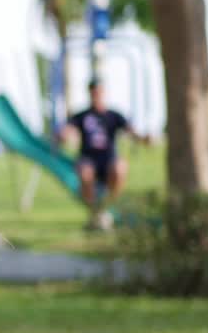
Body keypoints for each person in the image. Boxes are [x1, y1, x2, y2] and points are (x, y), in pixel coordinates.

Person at [60, 80, 150, 229]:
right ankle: (94, 212)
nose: (97, 95)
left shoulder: (114, 115)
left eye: (100, 92)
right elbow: (67, 130)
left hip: (108, 158)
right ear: (90, 93)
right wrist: (63, 135)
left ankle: (106, 207)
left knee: (120, 167)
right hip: (88, 158)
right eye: (94, 92)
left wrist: (143, 138)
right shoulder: (82, 115)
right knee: (85, 172)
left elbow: (131, 132)